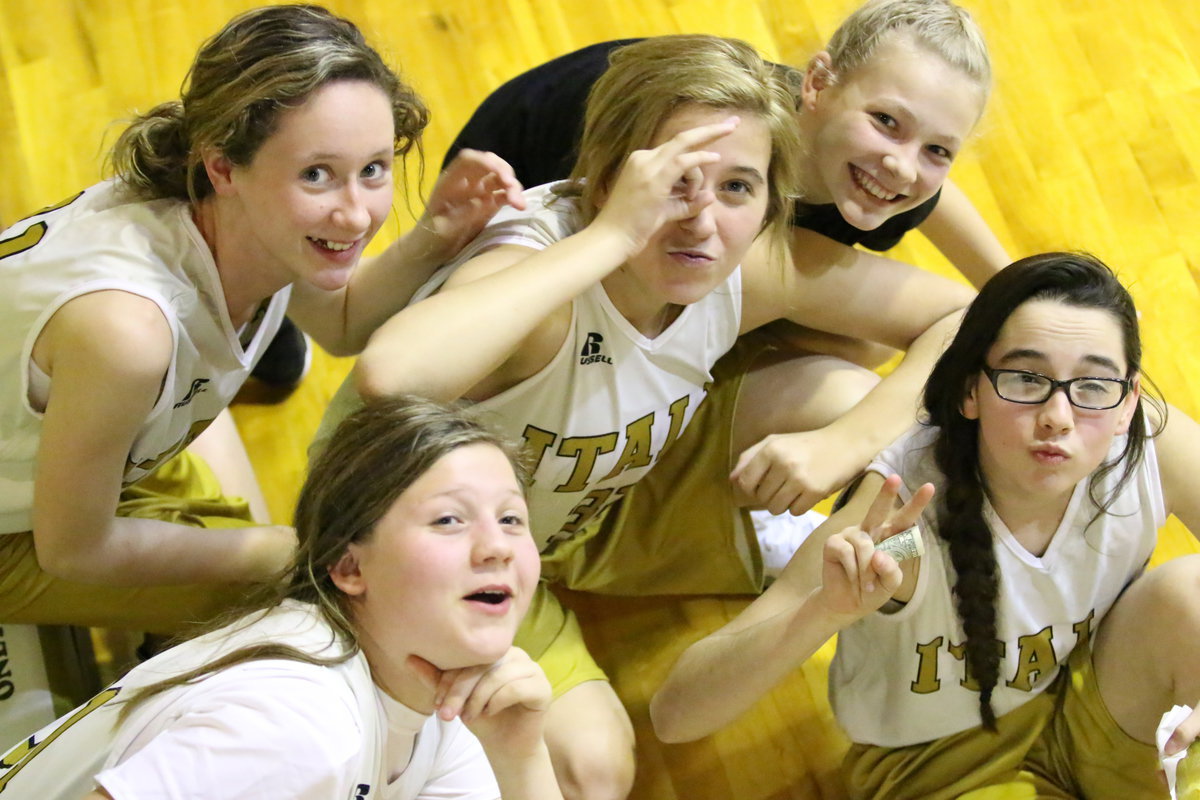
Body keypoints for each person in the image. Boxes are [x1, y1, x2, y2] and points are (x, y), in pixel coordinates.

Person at [319, 32, 979, 799]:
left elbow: (964, 315)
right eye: (677, 182)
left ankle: (819, 606)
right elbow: (388, 374)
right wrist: (612, 236)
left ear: (771, 198)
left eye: (737, 188)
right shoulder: (542, 285)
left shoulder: (746, 262)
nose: (702, 219)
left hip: (576, 517)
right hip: (412, 555)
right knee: (592, 771)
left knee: (857, 397)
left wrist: (847, 442)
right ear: (608, 178)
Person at [0, 4, 522, 631]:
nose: (356, 215)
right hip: (23, 536)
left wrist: (434, 237)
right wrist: (284, 550)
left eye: (373, 170)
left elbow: (342, 323)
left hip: (70, 469)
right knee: (314, 607)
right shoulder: (127, 334)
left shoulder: (241, 217)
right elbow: (72, 548)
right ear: (223, 166)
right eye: (317, 174)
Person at [649, 252, 1200, 799]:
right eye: (1026, 378)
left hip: (1096, 700)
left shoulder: (1152, 445)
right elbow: (675, 715)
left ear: (1127, 402)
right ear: (969, 391)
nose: (1059, 415)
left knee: (1192, 591)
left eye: (1093, 385)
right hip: (939, 764)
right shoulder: (900, 516)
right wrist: (824, 612)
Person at [0, 396, 564, 800]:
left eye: (512, 519)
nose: (498, 547)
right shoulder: (300, 724)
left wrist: (520, 755)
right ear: (349, 566)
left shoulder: (428, 714)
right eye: (449, 519)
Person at [444, 0, 1009, 294]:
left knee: (853, 338)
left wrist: (1015, 291)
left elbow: (936, 196)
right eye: (886, 120)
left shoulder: (878, 175)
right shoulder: (715, 143)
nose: (903, 166)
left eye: (939, 150)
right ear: (815, 85)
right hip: (527, 167)